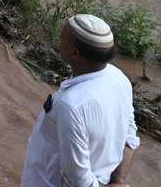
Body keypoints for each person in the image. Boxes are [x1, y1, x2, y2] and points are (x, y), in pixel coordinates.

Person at [21, 14, 139, 187]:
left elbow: (79, 181)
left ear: (75, 53)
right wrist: (117, 182)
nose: (58, 39)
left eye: (62, 38)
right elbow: (130, 138)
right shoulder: (120, 79)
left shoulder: (70, 106)